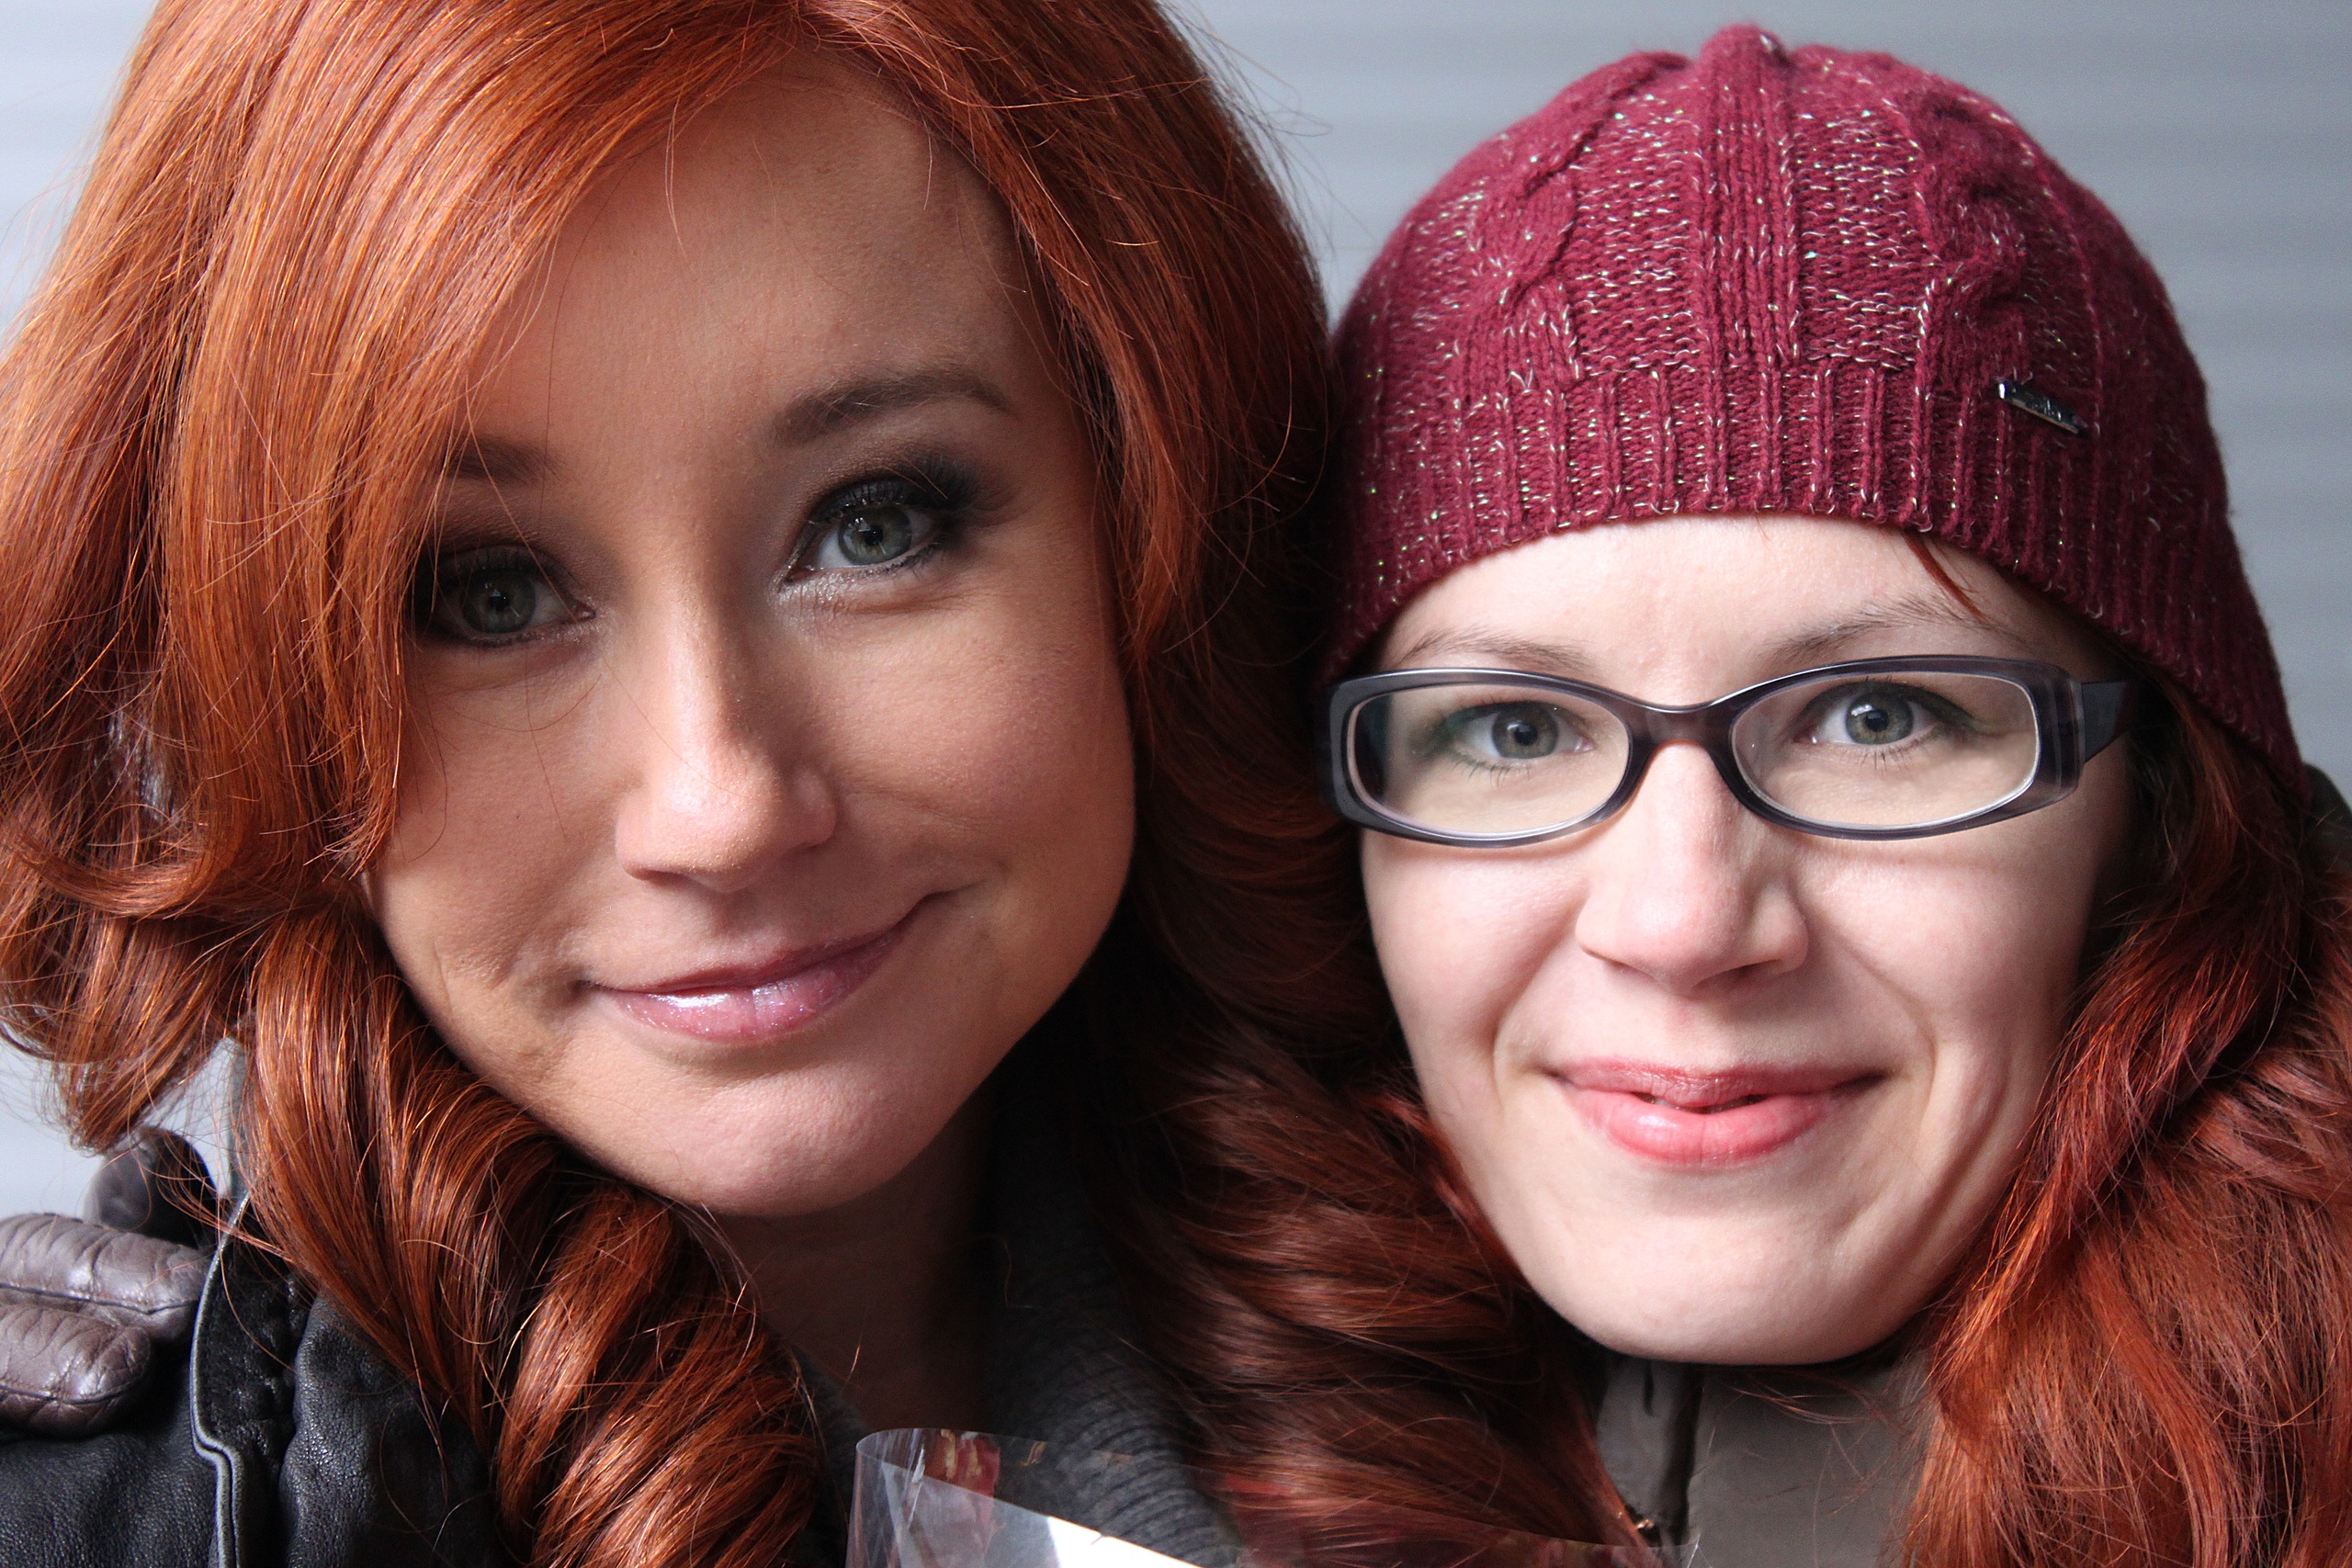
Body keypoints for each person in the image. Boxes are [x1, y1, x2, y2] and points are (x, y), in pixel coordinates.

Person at [0, 2, 1368, 1564]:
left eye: (873, 523)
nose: (722, 808)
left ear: (1160, 521)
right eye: (488, 595)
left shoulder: (1542, 1318)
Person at [1127, 28, 2352, 1568]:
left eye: (1877, 717)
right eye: (1513, 728)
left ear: (2156, 816)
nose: (1685, 925)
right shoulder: (1071, 1432)